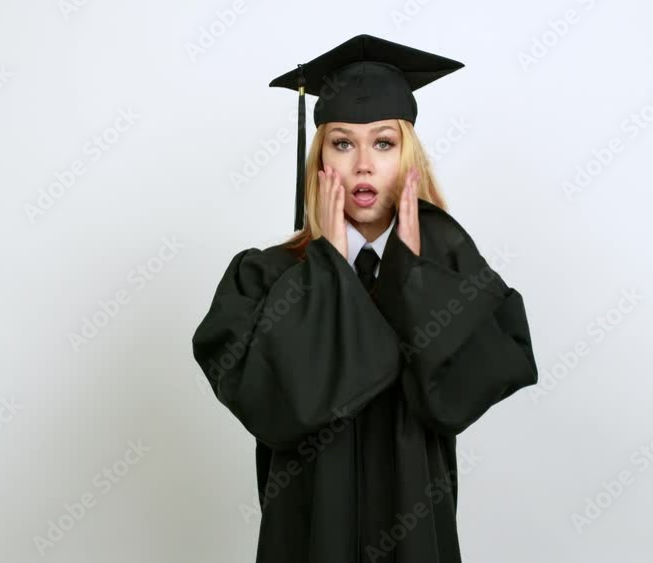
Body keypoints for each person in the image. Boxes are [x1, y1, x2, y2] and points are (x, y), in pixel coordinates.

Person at [192, 34, 538, 563]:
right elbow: (274, 407)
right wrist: (327, 269)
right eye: (342, 143)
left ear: (408, 157)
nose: (362, 165)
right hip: (308, 537)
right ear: (320, 161)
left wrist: (414, 278)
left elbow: (458, 398)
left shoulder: (450, 273)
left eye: (383, 143)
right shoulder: (267, 277)